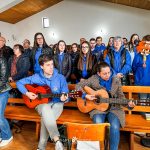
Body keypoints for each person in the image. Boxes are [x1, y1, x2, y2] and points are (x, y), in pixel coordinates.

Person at [76, 62, 135, 150]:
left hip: (114, 108)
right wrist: (85, 95)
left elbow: (121, 97)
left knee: (114, 126)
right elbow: (78, 85)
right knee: (98, 123)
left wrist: (129, 104)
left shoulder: (116, 80)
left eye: (109, 72)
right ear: (98, 73)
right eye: (104, 73)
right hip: (98, 108)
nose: (108, 75)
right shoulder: (93, 79)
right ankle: (99, 148)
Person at [16, 54, 68, 150]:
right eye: (48, 65)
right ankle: (57, 140)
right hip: (40, 104)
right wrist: (27, 93)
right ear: (41, 66)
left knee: (46, 117)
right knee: (45, 107)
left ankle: (41, 147)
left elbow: (66, 93)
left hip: (57, 103)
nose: (51, 67)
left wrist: (64, 97)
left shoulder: (60, 77)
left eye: (52, 64)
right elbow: (18, 83)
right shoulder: (36, 77)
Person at [0, 55, 13, 147]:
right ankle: (1, 135)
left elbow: (4, 79)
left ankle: (7, 136)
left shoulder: (1, 59)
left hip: (2, 90)